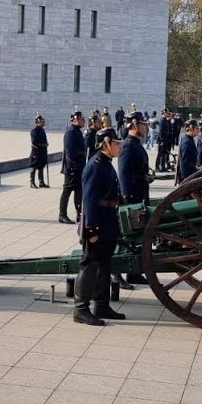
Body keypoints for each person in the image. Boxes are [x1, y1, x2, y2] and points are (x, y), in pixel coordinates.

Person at [73, 128, 126, 326]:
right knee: (90, 264)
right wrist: (92, 229)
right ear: (106, 143)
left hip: (108, 220)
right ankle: (81, 309)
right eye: (116, 143)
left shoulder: (106, 163)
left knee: (104, 265)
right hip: (98, 222)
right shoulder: (95, 165)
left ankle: (101, 305)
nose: (119, 147)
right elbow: (89, 200)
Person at [115, 112, 151, 288]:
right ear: (135, 125)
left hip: (140, 192)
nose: (146, 128)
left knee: (138, 234)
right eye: (143, 125)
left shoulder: (136, 144)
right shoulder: (128, 145)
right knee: (126, 235)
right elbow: (124, 174)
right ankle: (116, 273)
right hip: (132, 196)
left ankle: (134, 273)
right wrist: (127, 198)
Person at [58, 111, 86, 224]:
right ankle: (62, 215)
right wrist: (72, 168)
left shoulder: (77, 131)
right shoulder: (71, 133)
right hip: (72, 168)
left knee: (79, 191)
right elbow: (69, 153)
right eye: (81, 119)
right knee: (67, 191)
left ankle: (79, 213)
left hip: (79, 167)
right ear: (75, 120)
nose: (83, 121)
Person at [29, 115, 50, 188]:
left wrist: (46, 145)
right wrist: (44, 145)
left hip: (42, 152)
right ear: (37, 122)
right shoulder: (34, 131)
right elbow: (34, 142)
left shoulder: (42, 130)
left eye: (43, 121)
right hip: (36, 152)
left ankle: (41, 182)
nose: (43, 123)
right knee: (34, 167)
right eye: (41, 122)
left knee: (41, 167)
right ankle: (32, 182)